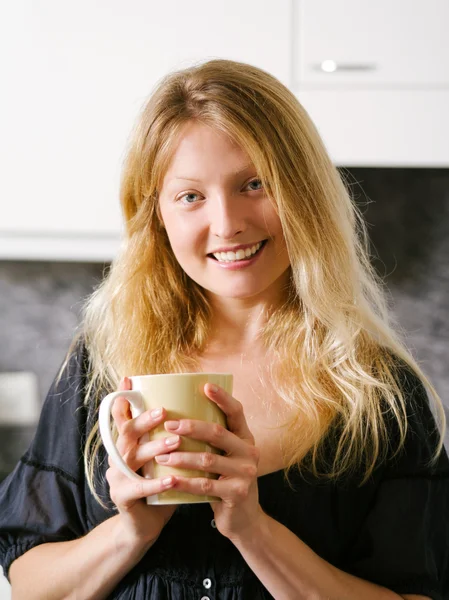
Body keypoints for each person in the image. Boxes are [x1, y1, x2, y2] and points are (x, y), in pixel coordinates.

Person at [0, 58, 448, 600]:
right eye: (191, 196)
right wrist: (130, 531)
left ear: (303, 193)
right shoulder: (104, 361)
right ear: (158, 216)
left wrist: (254, 531)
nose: (227, 223)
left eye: (254, 184)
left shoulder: (379, 396)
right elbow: (27, 583)